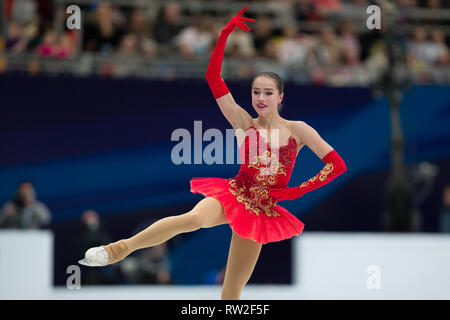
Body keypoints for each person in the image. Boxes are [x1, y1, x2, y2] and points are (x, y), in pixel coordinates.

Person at [79, 6, 347, 300]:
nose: (260, 98)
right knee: (192, 219)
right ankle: (119, 248)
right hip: (235, 193)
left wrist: (298, 191)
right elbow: (213, 78)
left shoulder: (299, 130)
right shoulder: (243, 122)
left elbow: (335, 164)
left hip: (261, 211)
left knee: (231, 293)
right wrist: (223, 36)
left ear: (280, 97)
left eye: (268, 92)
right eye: (256, 92)